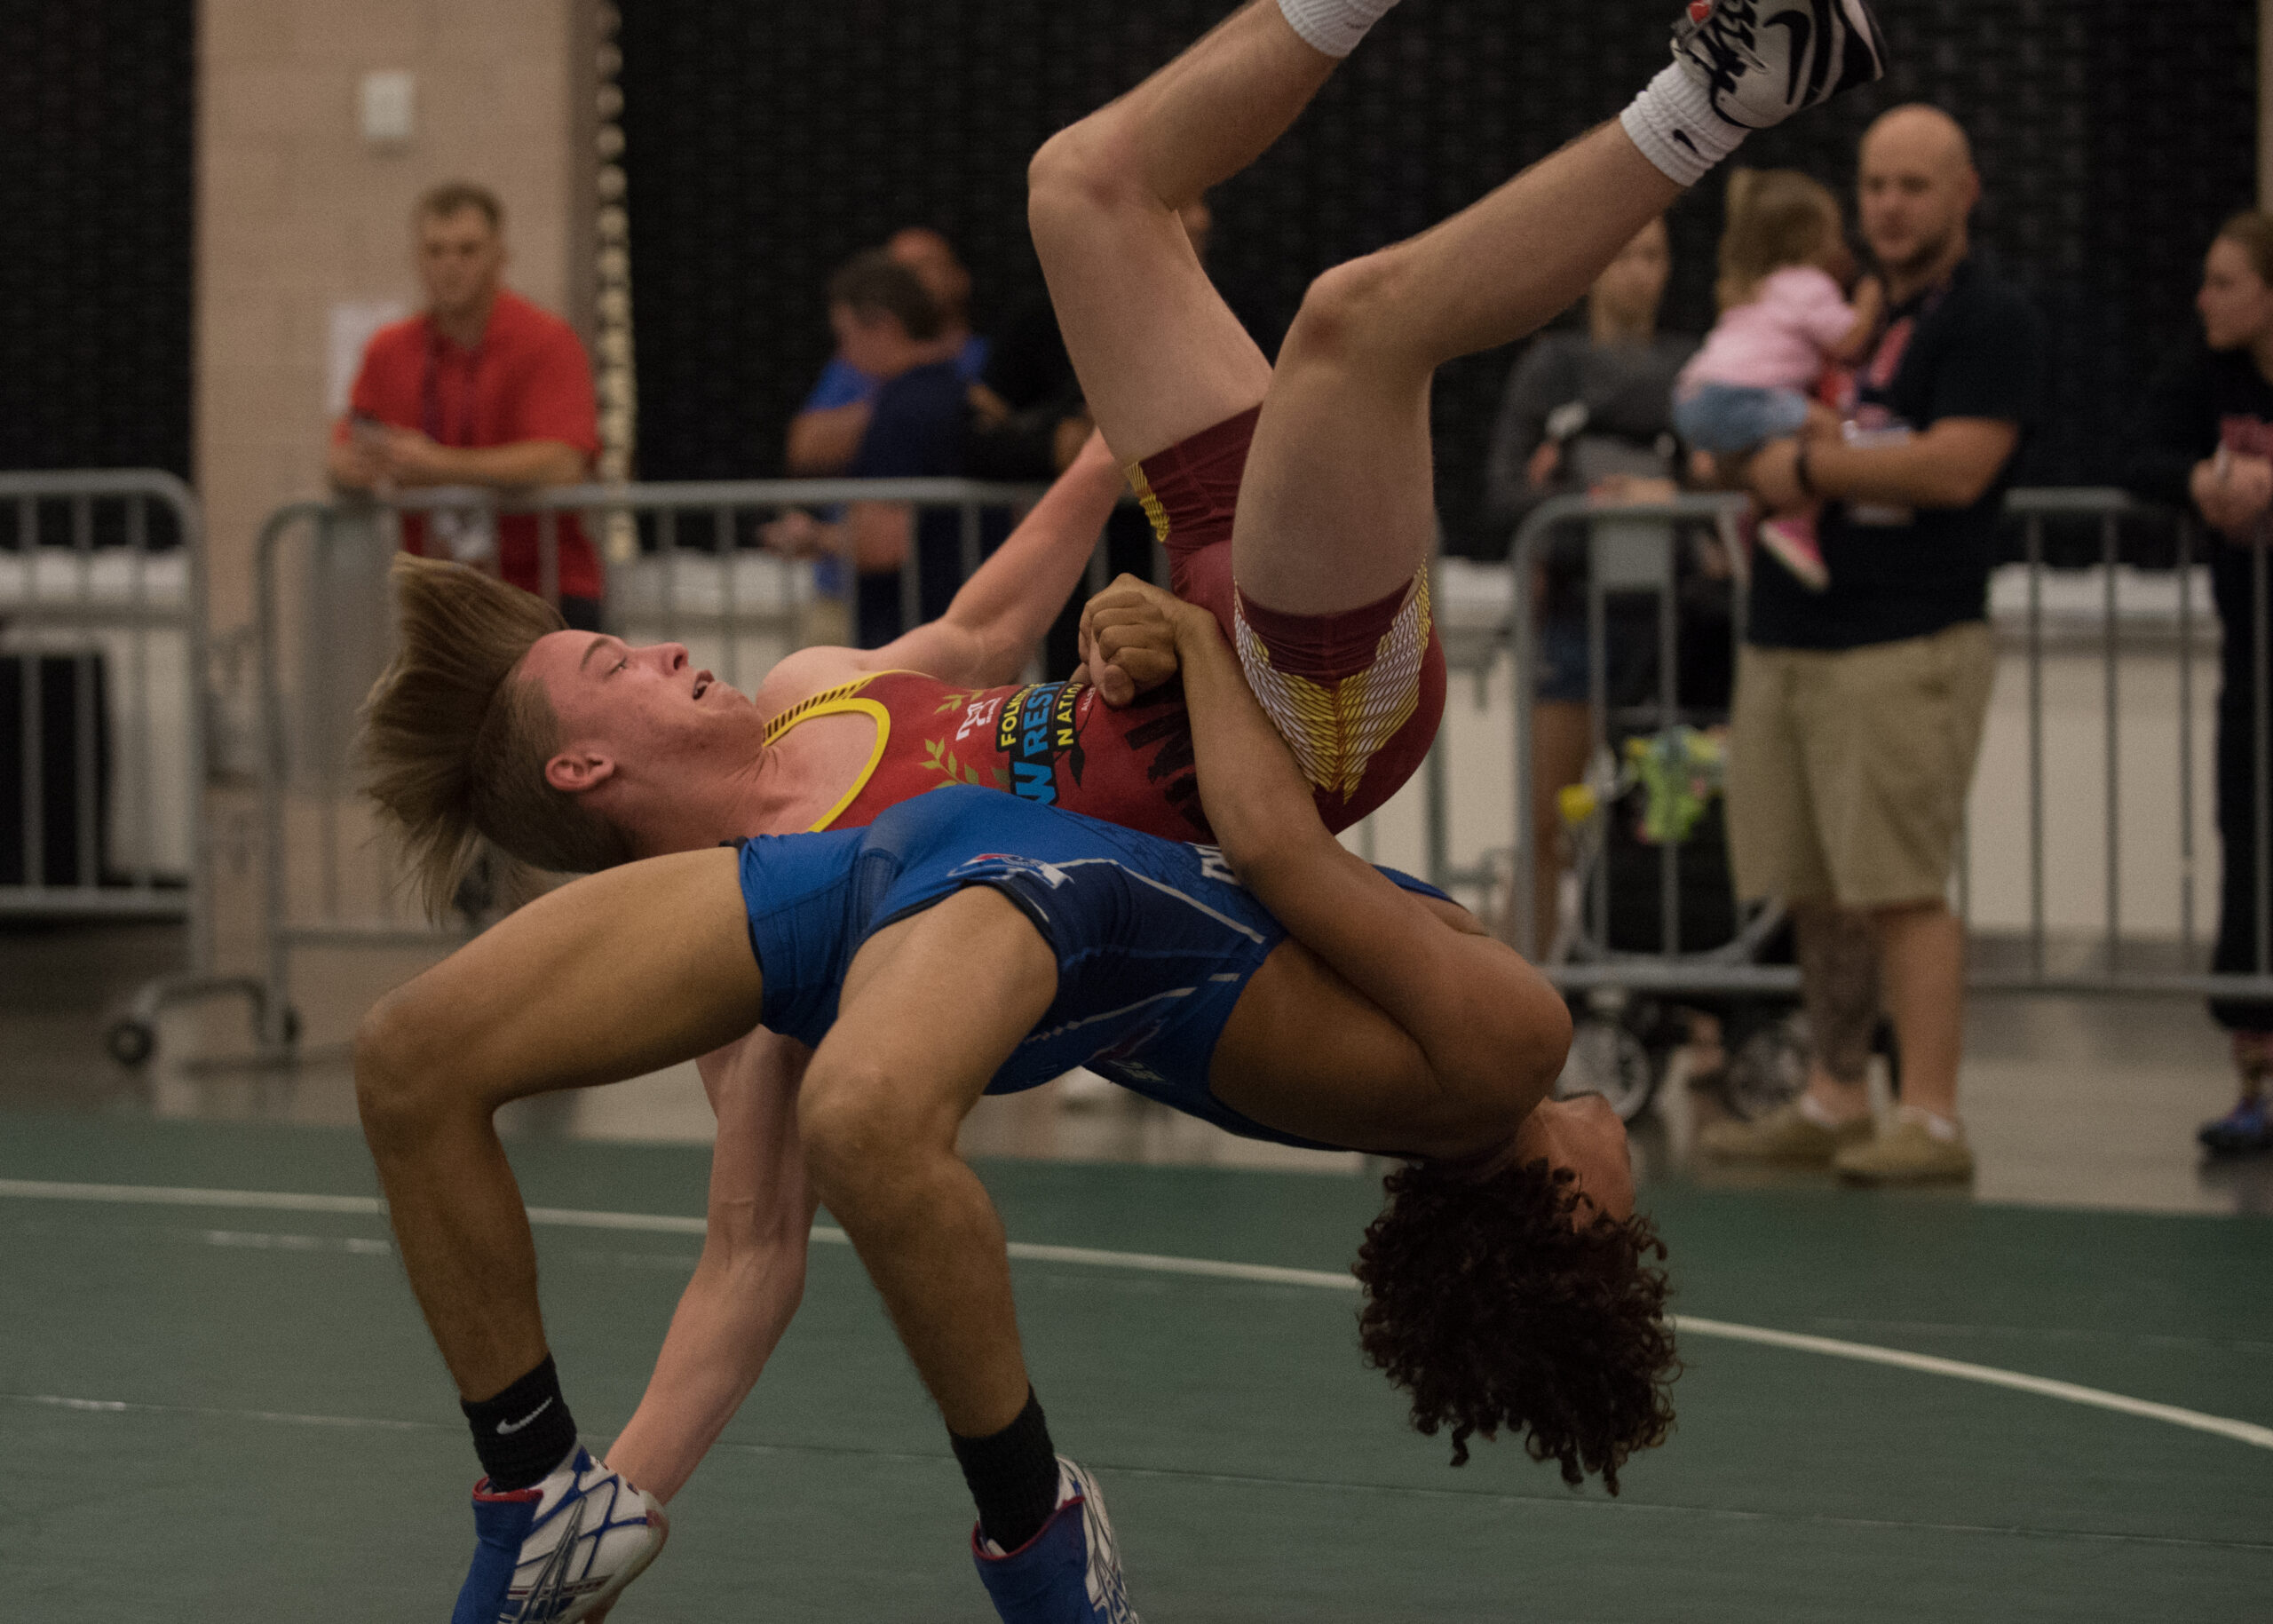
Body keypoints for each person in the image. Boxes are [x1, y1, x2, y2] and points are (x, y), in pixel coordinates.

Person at [362, 0, 1884, 1613]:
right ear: (588, 770)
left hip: (1183, 634)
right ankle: (1727, 98)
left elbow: (978, 624)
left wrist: (1105, 470)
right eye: (616, 658)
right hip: (1282, 714)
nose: (665, 643)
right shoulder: (777, 978)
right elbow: (750, 1256)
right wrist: (638, 1488)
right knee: (1355, 327)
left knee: (1081, 183)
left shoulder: (819, 685)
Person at [360, 578, 1663, 1621]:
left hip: (1039, 884)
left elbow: (1273, 849)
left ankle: (1037, 1535)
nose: (1631, 1169)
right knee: (408, 1057)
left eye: (1628, 1233)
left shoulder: (1509, 1051)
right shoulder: (1433, 1088)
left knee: (863, 1119)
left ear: (1564, 1218)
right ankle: (536, 1487)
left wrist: (1202, 638)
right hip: (897, 868)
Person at [1700, 105, 2046, 1184]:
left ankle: (1931, 1115)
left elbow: (1954, 466)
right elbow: (1748, 428)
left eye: (1913, 185)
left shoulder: (1987, 318)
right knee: (1812, 883)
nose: (1890, 206)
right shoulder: (1839, 321)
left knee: (1899, 882)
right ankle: (1835, 1091)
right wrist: (1740, 451)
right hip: (1789, 628)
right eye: (1877, 185)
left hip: (1907, 635)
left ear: (1962, 192)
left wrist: (1801, 473)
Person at [1482, 215, 1704, 954]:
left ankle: (1699, 1019)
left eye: (1653, 255)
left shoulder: (1691, 365)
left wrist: (1666, 499)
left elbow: (1717, 480)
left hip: (1673, 620)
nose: (1638, 271)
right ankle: (1512, 1003)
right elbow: (1505, 490)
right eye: (1624, 254)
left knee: (1681, 816)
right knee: (1548, 819)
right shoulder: (1555, 366)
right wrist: (1588, 507)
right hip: (1575, 615)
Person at [2125, 210, 2273, 1155]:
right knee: (2251, 852)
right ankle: (2254, 1079)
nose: (2204, 298)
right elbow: (2134, 453)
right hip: (2251, 661)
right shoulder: (2206, 372)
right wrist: (2198, 483)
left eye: (2223, 282)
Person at [328, 182, 604, 628]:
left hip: (543, 595)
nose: (450, 266)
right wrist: (355, 466)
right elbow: (343, 454)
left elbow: (563, 464)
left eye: (467, 250)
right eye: (435, 252)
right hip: (441, 600)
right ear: (418, 260)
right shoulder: (389, 349)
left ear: (500, 255)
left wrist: (440, 466)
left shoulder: (545, 340)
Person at [764, 250, 989, 646]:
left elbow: (885, 542)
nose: (844, 354)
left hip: (911, 636)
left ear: (883, 326)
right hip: (963, 625)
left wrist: (812, 538)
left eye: (846, 335)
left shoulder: (900, 408)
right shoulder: (960, 392)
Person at [1675, 167, 1883, 590]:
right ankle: (1795, 523)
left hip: (1694, 395)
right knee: (1827, 428)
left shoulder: (1756, 288)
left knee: (1771, 449)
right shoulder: (1807, 285)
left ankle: (1746, 516)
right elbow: (1849, 341)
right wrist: (1870, 299)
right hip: (1738, 394)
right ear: (1812, 238)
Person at [785, 226, 992, 478]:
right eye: (898, 269)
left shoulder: (987, 358)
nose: (909, 278)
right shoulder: (855, 372)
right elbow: (804, 448)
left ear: (961, 278)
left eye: (922, 266)